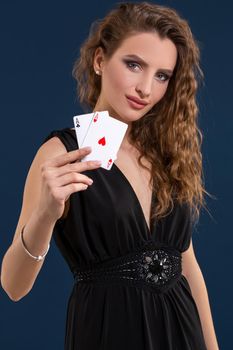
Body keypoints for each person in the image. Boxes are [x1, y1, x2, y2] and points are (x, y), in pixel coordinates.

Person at [0, 2, 219, 349]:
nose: (146, 88)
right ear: (100, 61)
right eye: (134, 65)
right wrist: (45, 214)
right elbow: (13, 286)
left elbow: (187, 265)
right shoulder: (62, 153)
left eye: (162, 75)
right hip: (109, 328)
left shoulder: (166, 154)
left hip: (182, 328)